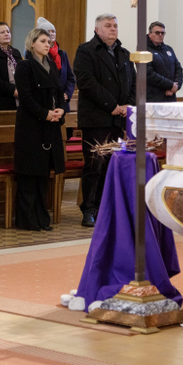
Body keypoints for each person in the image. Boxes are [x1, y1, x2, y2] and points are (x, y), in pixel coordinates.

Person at [73, 13, 136, 227]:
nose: (113, 29)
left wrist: (127, 105)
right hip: (96, 119)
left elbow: (134, 82)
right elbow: (87, 82)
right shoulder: (86, 51)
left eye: (115, 25)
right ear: (97, 30)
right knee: (94, 165)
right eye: (108, 25)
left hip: (118, 120)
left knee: (110, 165)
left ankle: (105, 208)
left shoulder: (124, 53)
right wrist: (112, 106)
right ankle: (89, 209)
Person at [13, 29, 65, 231]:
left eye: (48, 41)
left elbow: (59, 92)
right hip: (31, 126)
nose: (47, 44)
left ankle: (42, 218)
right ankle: (27, 219)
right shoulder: (24, 66)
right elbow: (26, 97)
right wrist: (45, 114)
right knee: (29, 174)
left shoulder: (51, 65)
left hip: (49, 126)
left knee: (43, 175)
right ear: (32, 43)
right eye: (43, 41)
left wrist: (60, 109)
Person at [35, 17, 76, 112]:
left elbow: (70, 78)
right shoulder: (38, 55)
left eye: (53, 31)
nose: (51, 33)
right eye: (48, 31)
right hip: (45, 103)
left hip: (62, 103)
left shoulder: (62, 54)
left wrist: (67, 94)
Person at [146, 21, 183, 102]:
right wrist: (170, 85)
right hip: (153, 98)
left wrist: (176, 86)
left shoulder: (169, 49)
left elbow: (178, 69)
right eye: (157, 33)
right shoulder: (144, 50)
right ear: (150, 34)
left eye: (162, 33)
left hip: (170, 96)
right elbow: (148, 74)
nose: (160, 35)